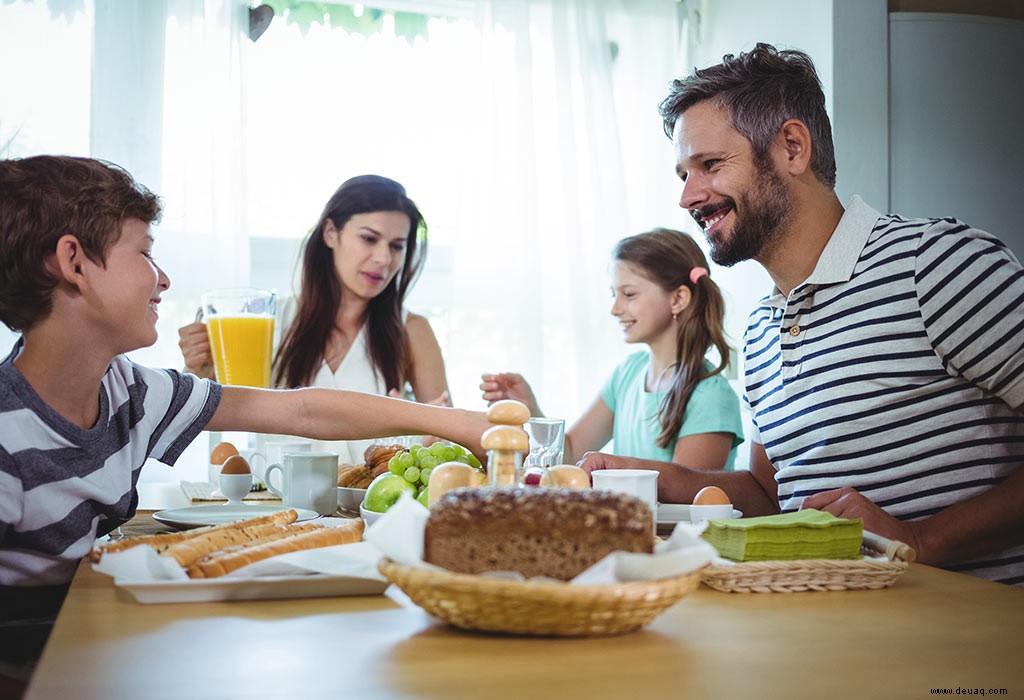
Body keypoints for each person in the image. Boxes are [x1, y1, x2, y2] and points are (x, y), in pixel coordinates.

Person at [0, 155, 492, 681]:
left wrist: (458, 421)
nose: (163, 278)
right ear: (73, 262)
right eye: (145, 253)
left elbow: (302, 407)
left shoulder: (134, 392)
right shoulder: (9, 431)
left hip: (91, 651)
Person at [578, 43, 1024, 586]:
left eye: (710, 165)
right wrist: (656, 475)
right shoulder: (761, 331)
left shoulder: (936, 264)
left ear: (792, 147)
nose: (688, 197)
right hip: (835, 637)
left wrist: (923, 540)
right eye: (682, 174)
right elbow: (770, 496)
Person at [481, 228, 743, 469]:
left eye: (629, 294)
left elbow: (687, 493)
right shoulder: (628, 373)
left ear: (678, 298)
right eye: (613, 294)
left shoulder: (711, 395)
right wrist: (531, 410)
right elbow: (570, 452)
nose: (615, 309)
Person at [178, 174, 450, 401]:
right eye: (369, 239)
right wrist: (198, 370)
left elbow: (446, 447)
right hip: (272, 468)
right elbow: (220, 417)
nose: (384, 259)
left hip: (373, 469)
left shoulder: (412, 332)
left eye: (396, 246)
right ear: (331, 233)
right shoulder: (266, 322)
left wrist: (419, 434)